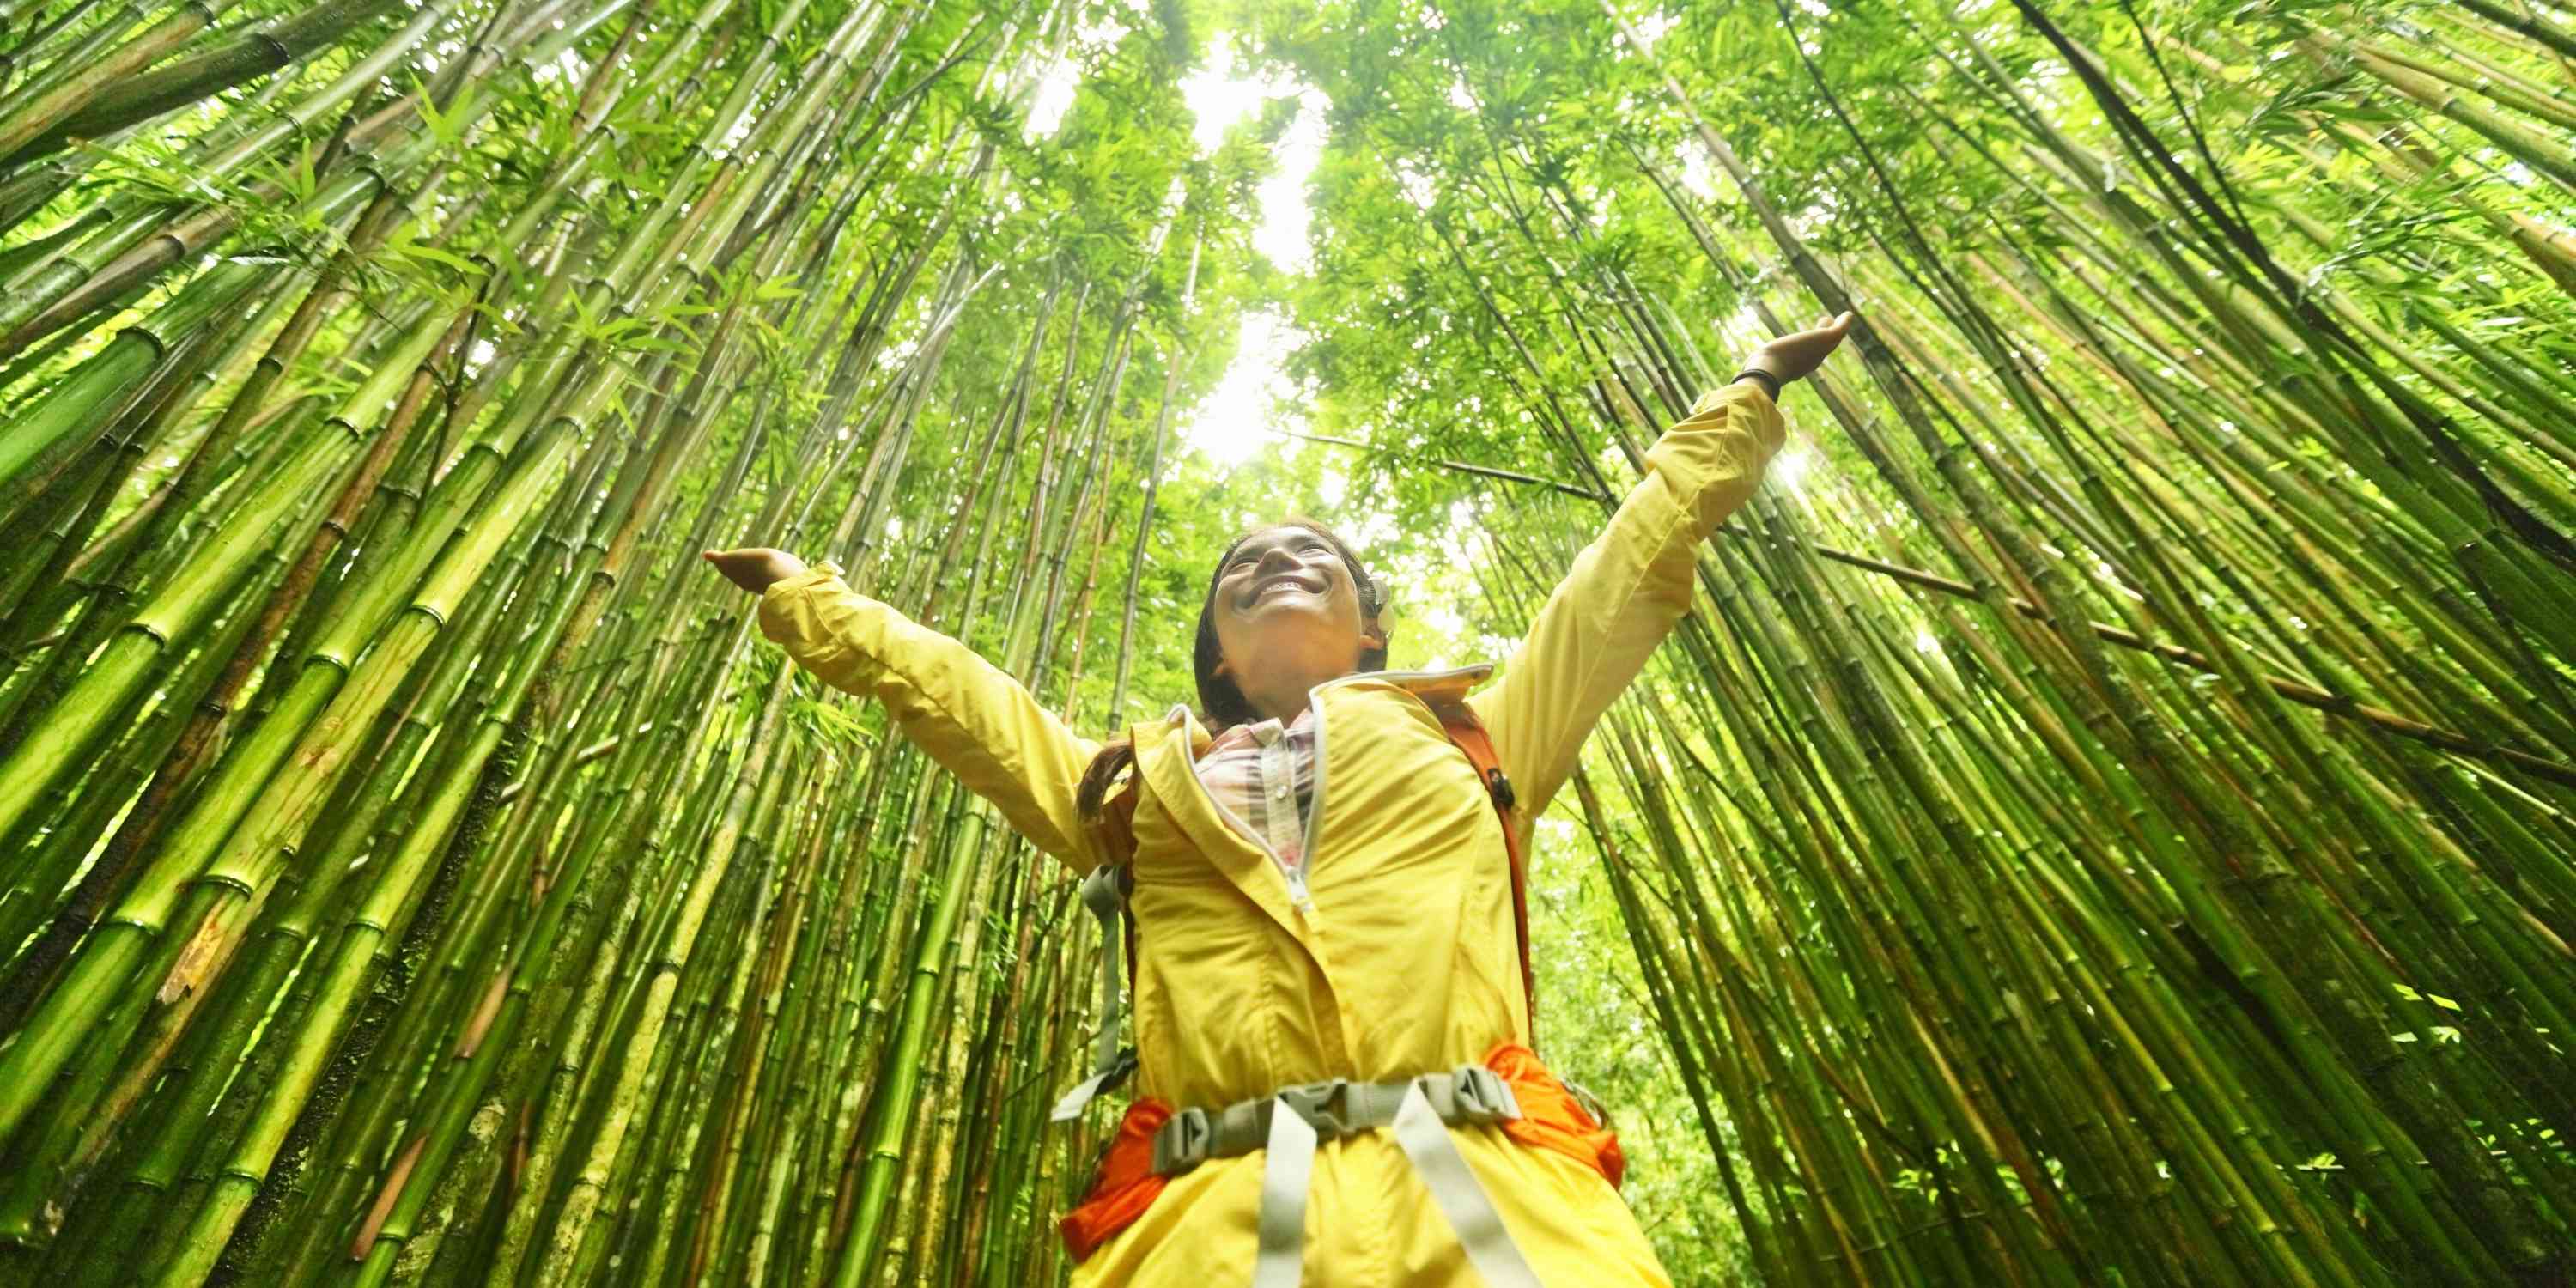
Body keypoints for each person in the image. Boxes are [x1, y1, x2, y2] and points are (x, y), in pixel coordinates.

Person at [705, 312, 1854, 1285]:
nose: (1275, 560)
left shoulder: (1477, 735)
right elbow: (957, 697)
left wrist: (1747, 393)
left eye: (1316, 554)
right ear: (1217, 650)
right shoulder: (1134, 792)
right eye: (1240, 569)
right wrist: (812, 601)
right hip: (1208, 1225)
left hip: (1500, 1203)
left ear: (1371, 627)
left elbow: (1633, 564)